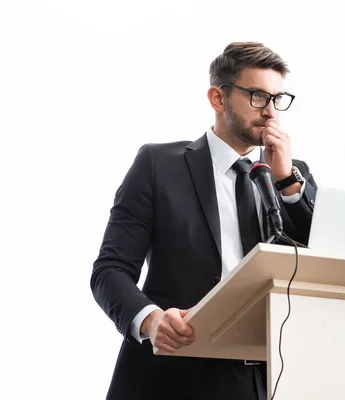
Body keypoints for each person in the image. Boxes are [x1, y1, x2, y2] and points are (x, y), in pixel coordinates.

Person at [90, 41, 317, 400]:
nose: (271, 112)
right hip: (171, 375)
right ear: (218, 98)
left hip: (264, 380)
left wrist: (287, 180)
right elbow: (110, 270)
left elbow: (320, 266)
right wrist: (150, 320)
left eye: (278, 98)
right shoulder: (158, 165)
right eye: (258, 96)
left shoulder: (291, 176)